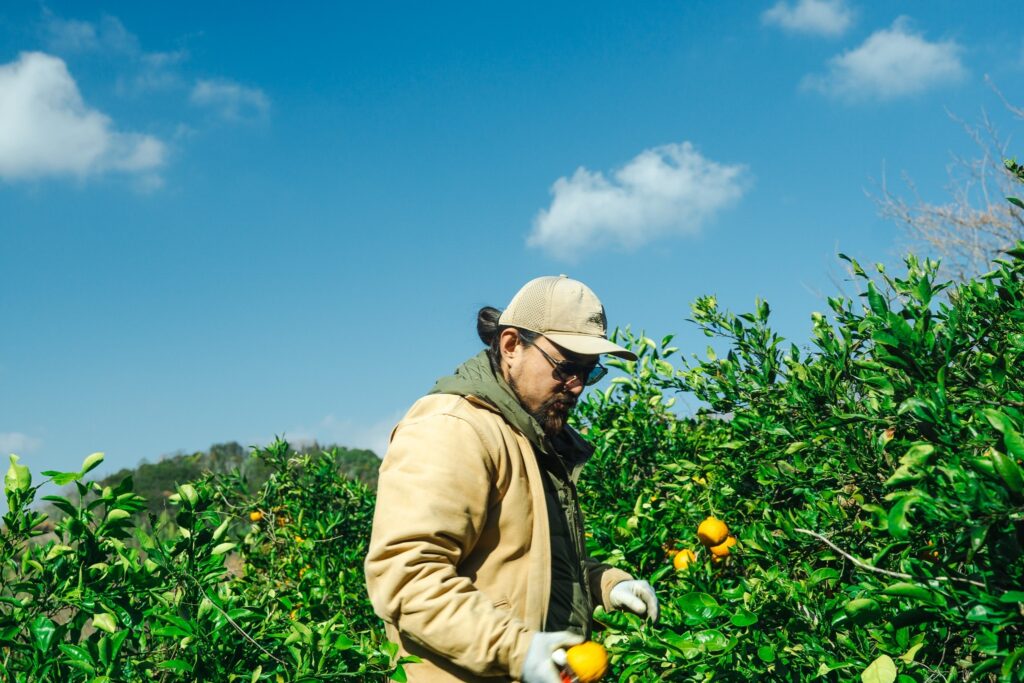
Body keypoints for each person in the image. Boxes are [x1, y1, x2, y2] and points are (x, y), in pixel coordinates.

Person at [364, 275, 658, 683]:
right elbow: (407, 577)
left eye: (588, 372)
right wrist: (517, 651)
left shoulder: (531, 438)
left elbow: (529, 564)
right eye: (566, 367)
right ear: (511, 345)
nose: (576, 387)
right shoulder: (453, 428)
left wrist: (603, 585)